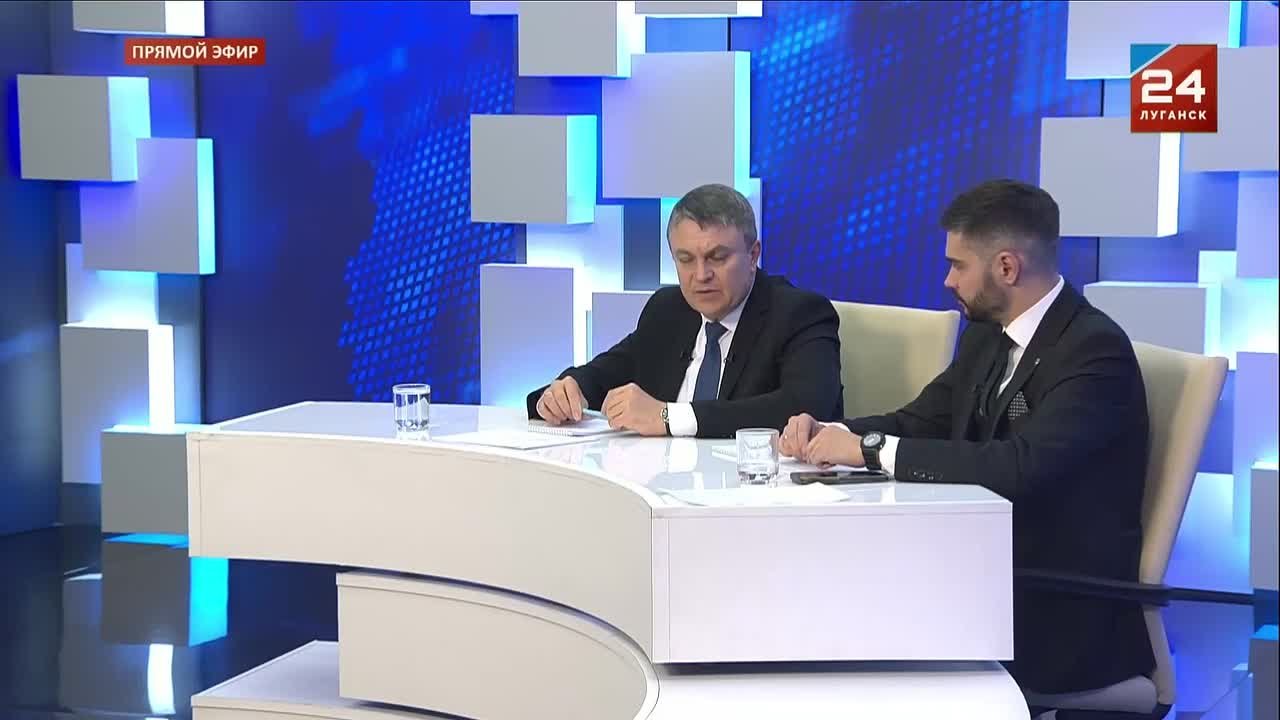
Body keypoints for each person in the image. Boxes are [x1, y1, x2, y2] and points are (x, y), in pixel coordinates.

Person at [780, 179, 1155, 695]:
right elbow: (922, 420)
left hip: (1055, 606)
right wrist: (836, 432)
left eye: (958, 265)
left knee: (858, 631)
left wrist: (868, 452)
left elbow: (1019, 467)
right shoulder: (988, 334)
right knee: (826, 605)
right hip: (975, 570)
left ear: (1006, 267)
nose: (947, 280)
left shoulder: (1094, 351)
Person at [527, 183, 844, 439]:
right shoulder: (668, 310)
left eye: (717, 257)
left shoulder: (799, 313)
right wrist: (568, 391)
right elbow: (605, 373)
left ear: (753, 255)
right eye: (686, 259)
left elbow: (807, 406)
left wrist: (668, 417)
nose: (701, 275)